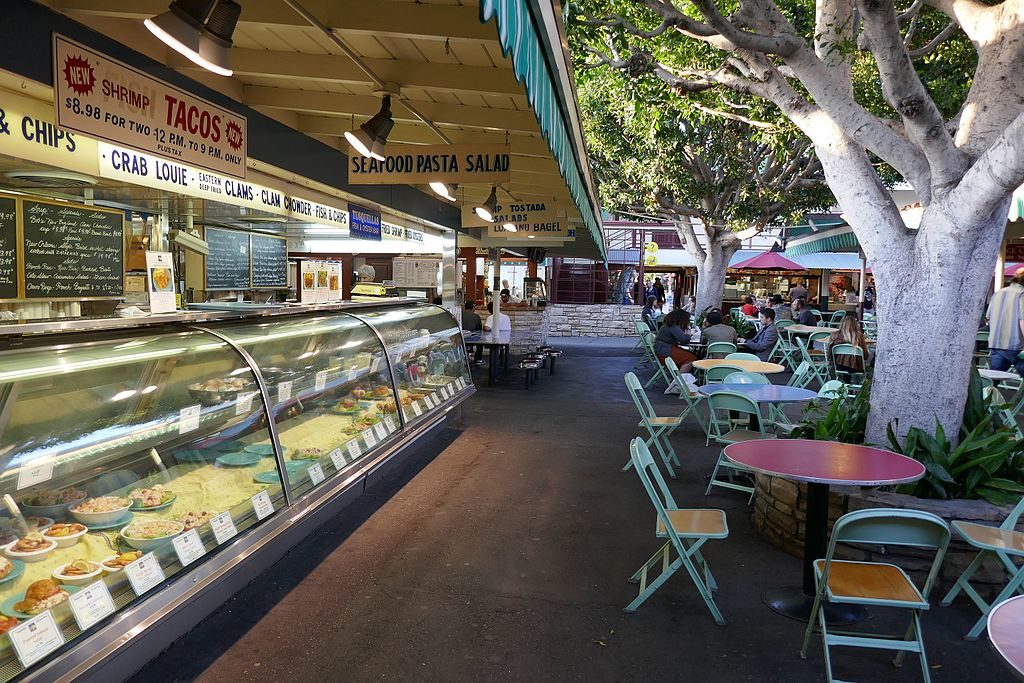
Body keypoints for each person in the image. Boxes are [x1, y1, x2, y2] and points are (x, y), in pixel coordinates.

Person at [987, 267, 1024, 374]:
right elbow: (1023, 320)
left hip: (996, 342)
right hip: (1015, 344)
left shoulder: (998, 293)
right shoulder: (1022, 293)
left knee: (994, 377)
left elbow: (988, 316)